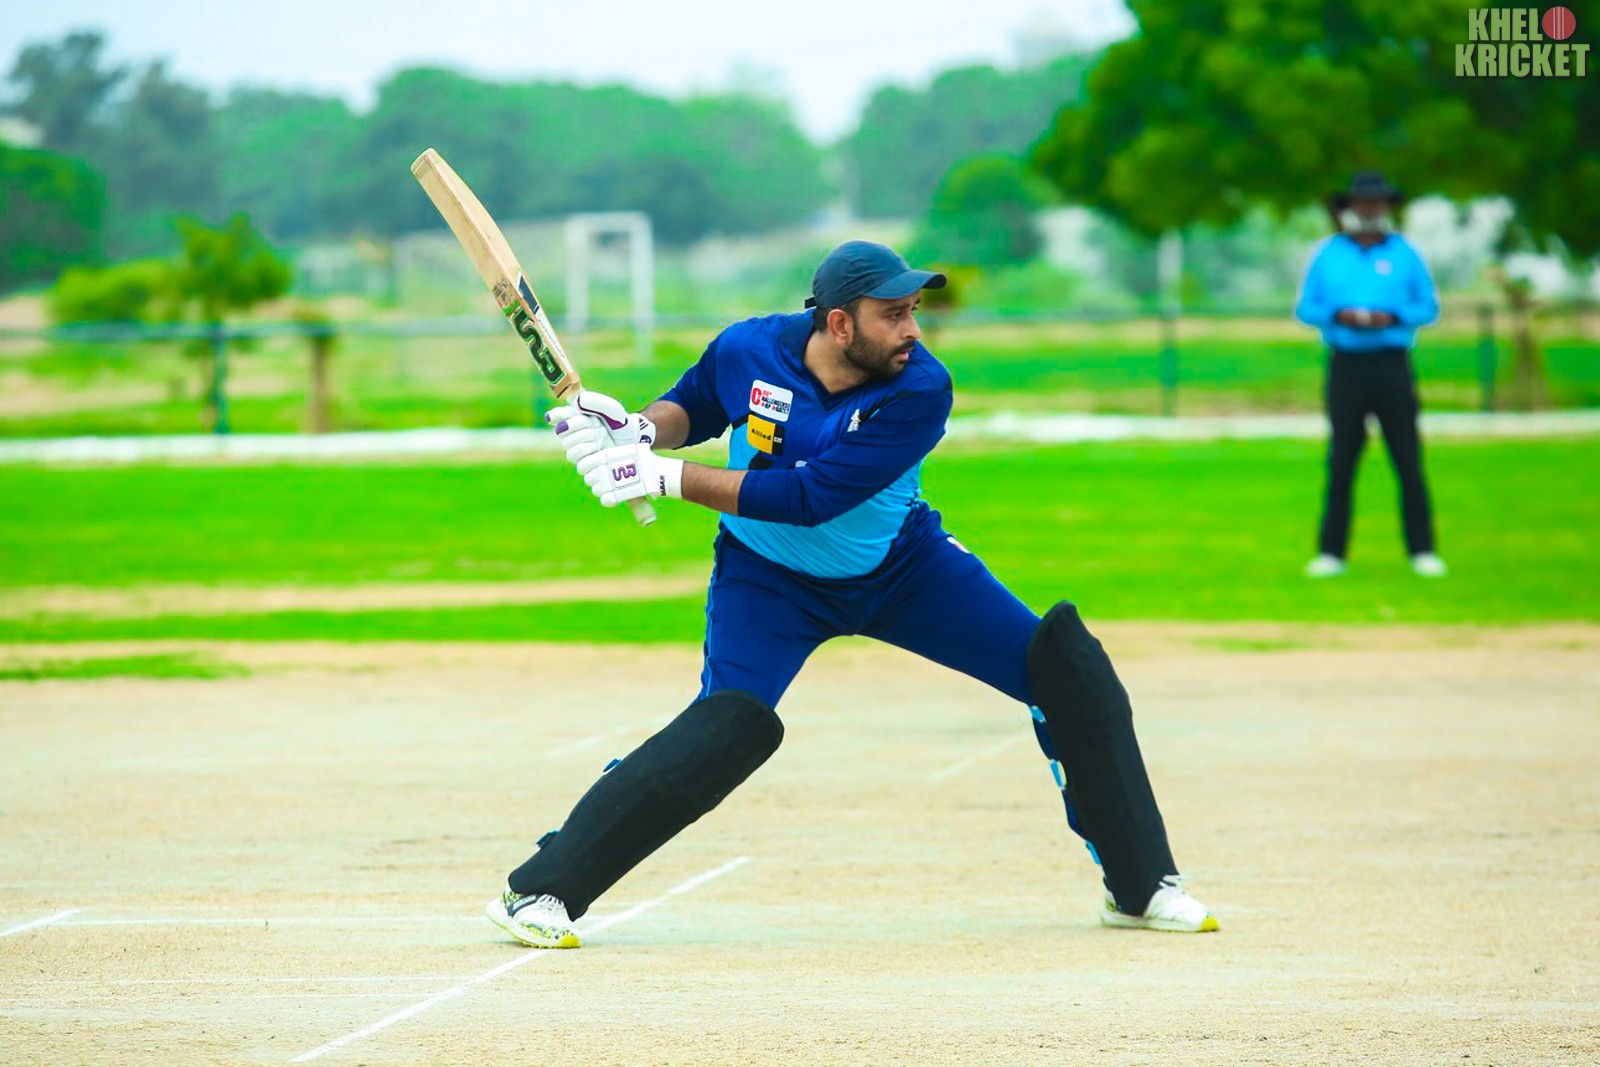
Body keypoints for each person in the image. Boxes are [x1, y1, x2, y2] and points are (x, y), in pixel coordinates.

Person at [486, 241, 1218, 949]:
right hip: (767, 580)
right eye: (893, 315)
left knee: (1066, 669)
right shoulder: (749, 348)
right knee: (725, 727)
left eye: (913, 311)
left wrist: (660, 476)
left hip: (904, 570)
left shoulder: (920, 388)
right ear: (839, 323)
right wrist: (639, 428)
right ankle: (542, 890)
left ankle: (1140, 888)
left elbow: (812, 497)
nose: (913, 330)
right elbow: (694, 405)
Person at [1295, 170, 1446, 579]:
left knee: (1407, 457)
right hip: (1346, 363)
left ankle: (1422, 550)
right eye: (1363, 203)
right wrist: (1338, 315)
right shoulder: (1329, 253)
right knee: (1342, 459)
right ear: (1351, 207)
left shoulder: (1404, 253)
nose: (1369, 209)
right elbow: (1307, 307)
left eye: (1376, 203)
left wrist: (1393, 316)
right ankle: (1332, 553)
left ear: (1385, 207)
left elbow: (1428, 306)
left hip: (1392, 362)